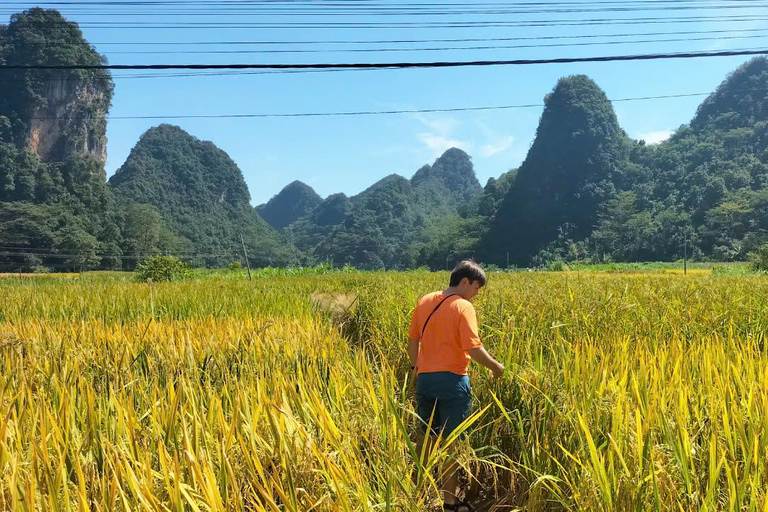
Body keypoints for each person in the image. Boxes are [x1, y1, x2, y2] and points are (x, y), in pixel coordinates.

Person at [407, 260, 505, 512]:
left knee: (426, 436)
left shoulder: (425, 300)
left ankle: (417, 492)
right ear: (464, 282)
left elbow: (413, 339)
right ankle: (450, 502)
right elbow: (472, 348)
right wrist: (495, 366)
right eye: (476, 287)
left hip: (426, 380)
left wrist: (416, 368)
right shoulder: (463, 306)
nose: (475, 293)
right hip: (453, 381)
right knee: (452, 442)